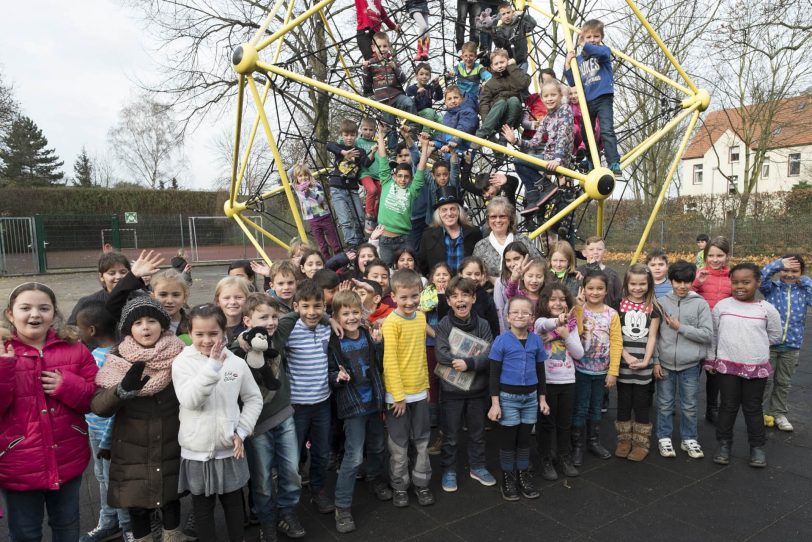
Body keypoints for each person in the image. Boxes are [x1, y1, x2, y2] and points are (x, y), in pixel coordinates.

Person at [1, 283, 98, 542]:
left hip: (67, 458)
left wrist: (67, 386)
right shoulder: (2, 351)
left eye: (44, 308)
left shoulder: (74, 349)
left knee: (67, 526)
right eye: (25, 308)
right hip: (18, 463)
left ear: (54, 313)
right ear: (10, 314)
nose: (35, 314)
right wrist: (4, 369)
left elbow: (93, 399)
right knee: (25, 532)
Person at [92, 297, 191, 542]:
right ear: (129, 329)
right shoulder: (118, 360)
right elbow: (98, 407)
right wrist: (121, 390)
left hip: (170, 442)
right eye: (137, 322)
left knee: (170, 499)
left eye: (152, 320)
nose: (145, 327)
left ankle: (173, 536)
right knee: (136, 506)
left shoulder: (181, 355)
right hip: (132, 450)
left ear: (164, 325)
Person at [173, 304, 263, 542]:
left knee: (234, 505)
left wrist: (242, 431)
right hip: (196, 451)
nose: (206, 340)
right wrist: (212, 367)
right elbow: (190, 400)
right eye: (199, 334)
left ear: (224, 331)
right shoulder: (182, 362)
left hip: (229, 449)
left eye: (213, 333)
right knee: (202, 509)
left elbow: (253, 399)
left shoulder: (236, 364)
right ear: (189, 333)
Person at [230, 294, 305, 541]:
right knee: (261, 478)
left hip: (284, 415)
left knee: (291, 470)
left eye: (274, 316)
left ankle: (287, 512)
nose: (271, 322)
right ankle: (267, 520)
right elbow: (227, 353)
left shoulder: (278, 335)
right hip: (256, 423)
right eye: (264, 317)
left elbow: (298, 311)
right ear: (248, 320)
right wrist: (240, 339)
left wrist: (328, 318)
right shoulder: (239, 347)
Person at [705, 263, 782, 468]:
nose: (740, 286)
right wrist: (711, 359)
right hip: (726, 366)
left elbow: (774, 335)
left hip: (755, 367)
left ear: (758, 282)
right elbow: (714, 335)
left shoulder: (766, 309)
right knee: (728, 406)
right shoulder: (723, 306)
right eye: (736, 282)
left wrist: (753, 349)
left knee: (753, 408)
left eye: (746, 282)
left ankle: (757, 447)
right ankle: (724, 444)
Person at [327, 291, 391, 532]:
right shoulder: (334, 342)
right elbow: (330, 372)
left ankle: (375, 480)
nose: (351, 317)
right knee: (353, 456)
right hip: (353, 407)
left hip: (373, 403)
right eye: (345, 313)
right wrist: (337, 377)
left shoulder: (366, 334)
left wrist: (379, 344)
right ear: (336, 317)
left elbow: (379, 363)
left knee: (377, 446)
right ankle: (342, 506)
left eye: (355, 312)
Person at [273, 280, 335, 513]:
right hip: (297, 405)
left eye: (317, 306)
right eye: (306, 306)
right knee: (293, 455)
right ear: (296, 306)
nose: (312, 312)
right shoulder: (290, 331)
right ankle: (289, 497)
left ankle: (318, 490)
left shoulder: (327, 328)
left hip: (322, 403)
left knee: (321, 451)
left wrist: (331, 319)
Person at [75, 301, 132, 542]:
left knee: (111, 479)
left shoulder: (100, 359)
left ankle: (126, 525)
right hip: (97, 429)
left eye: (79, 327)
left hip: (105, 431)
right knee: (103, 478)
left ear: (91, 331)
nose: (76, 331)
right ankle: (110, 520)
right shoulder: (118, 353)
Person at [435, 277, 496, 492]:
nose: (460, 300)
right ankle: (449, 469)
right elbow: (441, 354)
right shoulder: (443, 324)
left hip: (477, 390)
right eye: (455, 296)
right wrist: (456, 362)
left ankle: (477, 466)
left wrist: (469, 363)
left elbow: (490, 353)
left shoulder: (483, 324)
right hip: (452, 391)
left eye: (465, 295)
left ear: (473, 298)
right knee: (450, 435)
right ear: (449, 301)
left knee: (477, 433)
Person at [487, 296, 549, 501]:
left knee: (524, 441)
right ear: (507, 317)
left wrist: (542, 399)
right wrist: (495, 404)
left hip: (530, 399)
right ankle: (508, 476)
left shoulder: (536, 340)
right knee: (508, 440)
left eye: (525, 312)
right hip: (508, 399)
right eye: (515, 312)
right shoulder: (501, 341)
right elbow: (494, 374)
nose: (520, 316)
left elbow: (541, 372)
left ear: (532, 318)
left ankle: (523, 474)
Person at [382, 269, 434, 507]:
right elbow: (390, 361)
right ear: (393, 296)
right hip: (399, 396)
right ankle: (400, 485)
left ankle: (422, 484)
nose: (410, 302)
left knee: (422, 441)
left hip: (420, 391)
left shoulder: (421, 318)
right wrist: (398, 397)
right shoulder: (391, 323)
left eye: (414, 296)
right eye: (403, 297)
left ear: (420, 294)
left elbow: (421, 355)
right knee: (399, 444)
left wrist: (426, 386)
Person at [653, 261, 713, 459]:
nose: (682, 286)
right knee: (664, 403)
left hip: (690, 365)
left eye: (686, 282)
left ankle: (689, 438)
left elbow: (706, 335)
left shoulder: (700, 304)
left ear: (692, 281)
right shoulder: (661, 303)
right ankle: (664, 437)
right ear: (670, 281)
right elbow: (654, 336)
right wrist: (656, 360)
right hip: (666, 363)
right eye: (677, 282)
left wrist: (681, 328)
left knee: (689, 404)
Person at [570, 271, 621, 467]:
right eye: (590, 288)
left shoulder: (612, 314)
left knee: (596, 408)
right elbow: (577, 333)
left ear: (606, 290)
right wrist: (579, 307)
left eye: (600, 288)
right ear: (584, 289)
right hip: (581, 369)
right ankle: (576, 446)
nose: (595, 292)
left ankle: (593, 441)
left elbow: (616, 342)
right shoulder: (578, 310)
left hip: (601, 372)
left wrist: (613, 371)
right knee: (580, 407)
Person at [535, 283, 583, 480]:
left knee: (565, 423)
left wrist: (566, 335)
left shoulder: (570, 327)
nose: (558, 303)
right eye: (553, 299)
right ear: (545, 302)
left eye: (562, 299)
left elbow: (579, 353)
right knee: (546, 423)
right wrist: (557, 322)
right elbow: (543, 325)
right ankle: (545, 458)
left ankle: (564, 456)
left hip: (567, 380)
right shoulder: (540, 323)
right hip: (546, 382)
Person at [502, 81, 573, 209]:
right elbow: (534, 142)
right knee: (517, 160)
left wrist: (558, 158)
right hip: (549, 157)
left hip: (559, 158)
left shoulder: (565, 109)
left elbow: (563, 134)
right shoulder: (546, 119)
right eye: (546, 96)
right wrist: (515, 141)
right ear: (542, 98)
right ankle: (534, 194)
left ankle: (546, 186)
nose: (549, 99)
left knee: (519, 160)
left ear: (560, 95)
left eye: (553, 95)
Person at [760, 255, 812, 431]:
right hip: (770, 345)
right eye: (786, 270)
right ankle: (758, 412)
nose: (789, 274)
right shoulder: (771, 288)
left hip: (792, 346)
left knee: (783, 382)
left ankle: (778, 413)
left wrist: (807, 283)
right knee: (765, 381)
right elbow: (761, 277)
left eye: (794, 271)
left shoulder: (804, 291)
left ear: (802, 273)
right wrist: (776, 265)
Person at [615, 264, 661, 462]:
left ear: (649, 284)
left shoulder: (654, 307)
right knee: (624, 403)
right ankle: (624, 440)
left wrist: (646, 361)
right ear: (627, 284)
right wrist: (625, 356)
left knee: (642, 405)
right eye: (633, 283)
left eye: (642, 284)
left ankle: (641, 443)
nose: (637, 287)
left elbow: (652, 337)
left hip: (643, 365)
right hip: (623, 363)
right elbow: (615, 335)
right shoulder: (619, 305)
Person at [564, 19, 620, 174]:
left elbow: (599, 52)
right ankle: (590, 159)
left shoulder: (604, 51)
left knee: (607, 129)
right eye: (589, 37)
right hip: (587, 100)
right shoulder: (580, 59)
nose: (593, 40)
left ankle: (613, 162)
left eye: (596, 36)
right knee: (585, 132)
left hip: (603, 97)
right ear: (584, 37)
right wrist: (568, 64)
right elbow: (572, 81)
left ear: (601, 37)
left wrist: (584, 44)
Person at [375, 125, 429, 265]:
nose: (402, 179)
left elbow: (421, 169)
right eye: (399, 176)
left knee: (408, 269)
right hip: (384, 238)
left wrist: (424, 147)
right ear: (394, 176)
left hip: (403, 238)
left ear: (410, 179)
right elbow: (382, 158)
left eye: (406, 177)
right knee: (384, 270)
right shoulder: (387, 183)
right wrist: (380, 134)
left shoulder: (411, 191)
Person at [692, 235, 731, 424]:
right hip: (699, 329)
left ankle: (712, 408)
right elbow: (686, 293)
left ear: (727, 256)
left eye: (720, 255)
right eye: (711, 255)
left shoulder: (731, 276)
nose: (715, 260)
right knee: (693, 370)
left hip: (722, 331)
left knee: (715, 374)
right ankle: (688, 405)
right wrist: (697, 281)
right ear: (705, 255)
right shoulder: (699, 274)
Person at [363, 32, 419, 149]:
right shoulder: (371, 64)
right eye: (379, 46)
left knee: (409, 102)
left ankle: (413, 127)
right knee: (390, 126)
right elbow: (367, 83)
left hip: (396, 95)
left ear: (389, 47)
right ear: (373, 48)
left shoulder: (393, 61)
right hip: (384, 101)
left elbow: (403, 79)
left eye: (385, 46)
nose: (382, 49)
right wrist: (365, 69)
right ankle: (393, 151)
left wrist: (395, 68)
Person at [327, 119, 371, 248]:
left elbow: (367, 163)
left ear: (356, 135)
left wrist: (373, 152)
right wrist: (343, 153)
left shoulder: (359, 151)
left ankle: (358, 241)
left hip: (352, 189)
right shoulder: (339, 148)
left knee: (360, 218)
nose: (349, 138)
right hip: (337, 188)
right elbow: (329, 145)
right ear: (342, 135)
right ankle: (351, 244)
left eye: (352, 135)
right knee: (345, 220)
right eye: (346, 135)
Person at [418, 188, 484, 274]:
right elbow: (422, 265)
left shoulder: (474, 233)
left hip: (466, 285)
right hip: (440, 285)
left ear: (459, 211)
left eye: (452, 209)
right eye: (444, 210)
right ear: (439, 214)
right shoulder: (428, 235)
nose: (449, 213)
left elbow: (480, 264)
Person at [473, 196, 540, 280]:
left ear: (510, 219)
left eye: (502, 216)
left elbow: (539, 265)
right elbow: (476, 273)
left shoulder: (523, 240)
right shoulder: (480, 246)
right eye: (493, 217)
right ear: (488, 220)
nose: (498, 220)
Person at [474, 48, 531, 142]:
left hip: (513, 117)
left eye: (502, 62)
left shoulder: (516, 74)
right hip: (496, 118)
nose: (499, 66)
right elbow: (484, 103)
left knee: (514, 100)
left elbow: (524, 84)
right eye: (496, 64)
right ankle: (483, 132)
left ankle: (504, 135)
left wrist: (512, 67)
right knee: (501, 102)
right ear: (492, 66)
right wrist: (486, 121)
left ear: (508, 61)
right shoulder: (489, 84)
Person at [68, 251, 135, 325]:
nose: (118, 277)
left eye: (123, 272)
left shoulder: (141, 298)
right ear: (101, 276)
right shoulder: (87, 303)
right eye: (112, 273)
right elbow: (71, 330)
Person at [292, 164, 342, 258]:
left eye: (305, 175)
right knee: (322, 246)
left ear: (309, 175)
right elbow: (289, 173)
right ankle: (328, 264)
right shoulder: (297, 188)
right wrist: (298, 164)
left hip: (324, 216)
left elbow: (321, 199)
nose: (303, 178)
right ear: (297, 178)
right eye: (300, 176)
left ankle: (341, 264)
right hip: (313, 220)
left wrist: (310, 192)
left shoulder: (316, 185)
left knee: (334, 243)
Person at [494, 241, 536, 333]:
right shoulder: (500, 282)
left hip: (533, 327)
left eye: (516, 259)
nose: (512, 264)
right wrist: (504, 334)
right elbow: (499, 310)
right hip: (511, 329)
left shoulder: (533, 278)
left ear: (525, 257)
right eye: (508, 260)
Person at [484, 2, 537, 71]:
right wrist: (493, 32)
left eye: (508, 12)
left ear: (513, 12)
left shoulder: (520, 23)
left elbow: (532, 24)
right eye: (503, 14)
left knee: (521, 80)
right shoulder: (500, 29)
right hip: (509, 63)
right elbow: (500, 44)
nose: (507, 16)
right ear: (500, 16)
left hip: (522, 61)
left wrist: (523, 15)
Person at [458, 256, 501, 337]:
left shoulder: (486, 298)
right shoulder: (453, 295)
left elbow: (494, 326)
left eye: (477, 274)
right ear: (460, 274)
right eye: (469, 274)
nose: (473, 278)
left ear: (482, 275)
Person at [577, 236, 622, 309]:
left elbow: (618, 298)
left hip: (607, 315)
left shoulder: (613, 274)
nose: (595, 252)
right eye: (591, 249)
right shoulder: (578, 272)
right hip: (584, 315)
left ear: (605, 252)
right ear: (584, 253)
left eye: (599, 249)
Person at [434, 85, 479, 157]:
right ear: (445, 102)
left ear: (462, 99)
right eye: (449, 99)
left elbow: (464, 128)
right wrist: (435, 143)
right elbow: (443, 134)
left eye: (456, 97)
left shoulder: (467, 111)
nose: (453, 101)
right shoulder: (447, 115)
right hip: (450, 148)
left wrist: (454, 141)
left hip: (464, 149)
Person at [505, 254, 549, 319]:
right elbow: (510, 293)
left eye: (539, 277)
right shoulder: (519, 295)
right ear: (522, 276)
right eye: (530, 276)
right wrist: (514, 279)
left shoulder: (547, 296)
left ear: (544, 278)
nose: (534, 280)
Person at [406, 62, 443, 132]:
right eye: (421, 74)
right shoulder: (411, 89)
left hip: (429, 114)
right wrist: (418, 94)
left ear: (430, 77)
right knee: (429, 111)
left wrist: (437, 86)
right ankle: (425, 134)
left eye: (427, 74)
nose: (424, 76)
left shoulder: (430, 88)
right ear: (416, 77)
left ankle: (435, 137)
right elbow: (409, 104)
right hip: (417, 115)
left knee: (441, 120)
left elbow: (438, 97)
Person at [214, 276, 251, 342]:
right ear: (218, 301)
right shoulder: (212, 326)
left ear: (247, 299)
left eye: (238, 297)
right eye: (226, 298)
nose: (233, 302)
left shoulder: (252, 325)